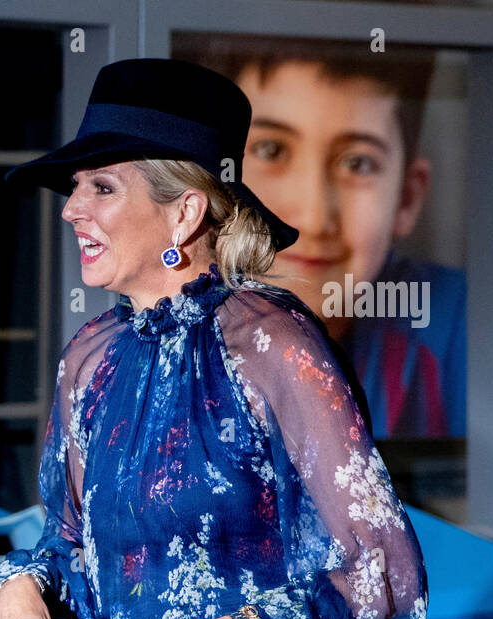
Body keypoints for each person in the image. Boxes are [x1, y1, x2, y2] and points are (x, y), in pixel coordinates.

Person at [0, 59, 426, 619]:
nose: (72, 209)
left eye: (101, 188)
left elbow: (380, 572)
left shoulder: (272, 342)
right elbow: (77, 560)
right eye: (75, 188)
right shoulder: (92, 360)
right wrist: (18, 587)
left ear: (184, 210)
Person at [192, 38, 466, 439]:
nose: (316, 218)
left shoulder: (464, 321)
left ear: (407, 198)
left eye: (357, 163)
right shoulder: (165, 331)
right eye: (271, 150)